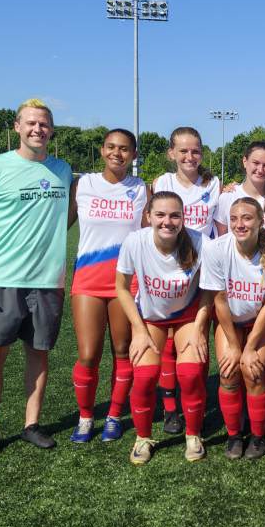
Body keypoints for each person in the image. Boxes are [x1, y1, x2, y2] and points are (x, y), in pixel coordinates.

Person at [0, 99, 72, 458]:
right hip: (0, 281)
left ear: (51, 131)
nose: (38, 129)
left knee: (39, 353)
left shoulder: (64, 170)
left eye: (45, 124)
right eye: (32, 123)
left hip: (47, 281)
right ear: (17, 127)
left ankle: (31, 424)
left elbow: (67, 215)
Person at [115, 192, 211, 465]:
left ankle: (193, 435)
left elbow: (208, 289)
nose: (167, 221)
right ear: (148, 216)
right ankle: (142, 438)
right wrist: (139, 330)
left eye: (174, 215)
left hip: (187, 315)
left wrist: (198, 328)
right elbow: (121, 288)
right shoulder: (135, 241)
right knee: (145, 376)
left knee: (190, 374)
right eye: (160, 215)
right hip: (150, 317)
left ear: (183, 218)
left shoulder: (200, 242)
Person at [67, 128, 149, 444]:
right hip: (87, 280)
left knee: (122, 351)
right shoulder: (83, 185)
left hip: (126, 284)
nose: (117, 153)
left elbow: (149, 233)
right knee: (88, 354)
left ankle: (114, 415)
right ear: (102, 150)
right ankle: (86, 417)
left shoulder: (141, 188)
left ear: (134, 155)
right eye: (111, 147)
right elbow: (58, 225)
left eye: (125, 149)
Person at [201, 197, 265, 460]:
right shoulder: (217, 249)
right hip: (229, 321)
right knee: (228, 373)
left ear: (261, 222)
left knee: (254, 372)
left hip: (261, 319)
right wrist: (235, 346)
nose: (240, 224)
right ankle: (234, 436)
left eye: (247, 218)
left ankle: (258, 437)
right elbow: (219, 300)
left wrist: (249, 348)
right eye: (234, 218)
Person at [152, 126, 222, 435]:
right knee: (168, 342)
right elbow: (151, 225)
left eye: (195, 151)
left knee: (198, 338)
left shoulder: (214, 184)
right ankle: (170, 408)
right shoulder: (162, 183)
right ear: (171, 154)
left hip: (200, 274)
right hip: (166, 272)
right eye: (183, 151)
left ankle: (196, 399)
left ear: (202, 153)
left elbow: (218, 229)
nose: (189, 156)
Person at [215, 140, 265, 244]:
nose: (260, 170)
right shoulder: (227, 197)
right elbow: (221, 239)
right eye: (256, 163)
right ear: (245, 162)